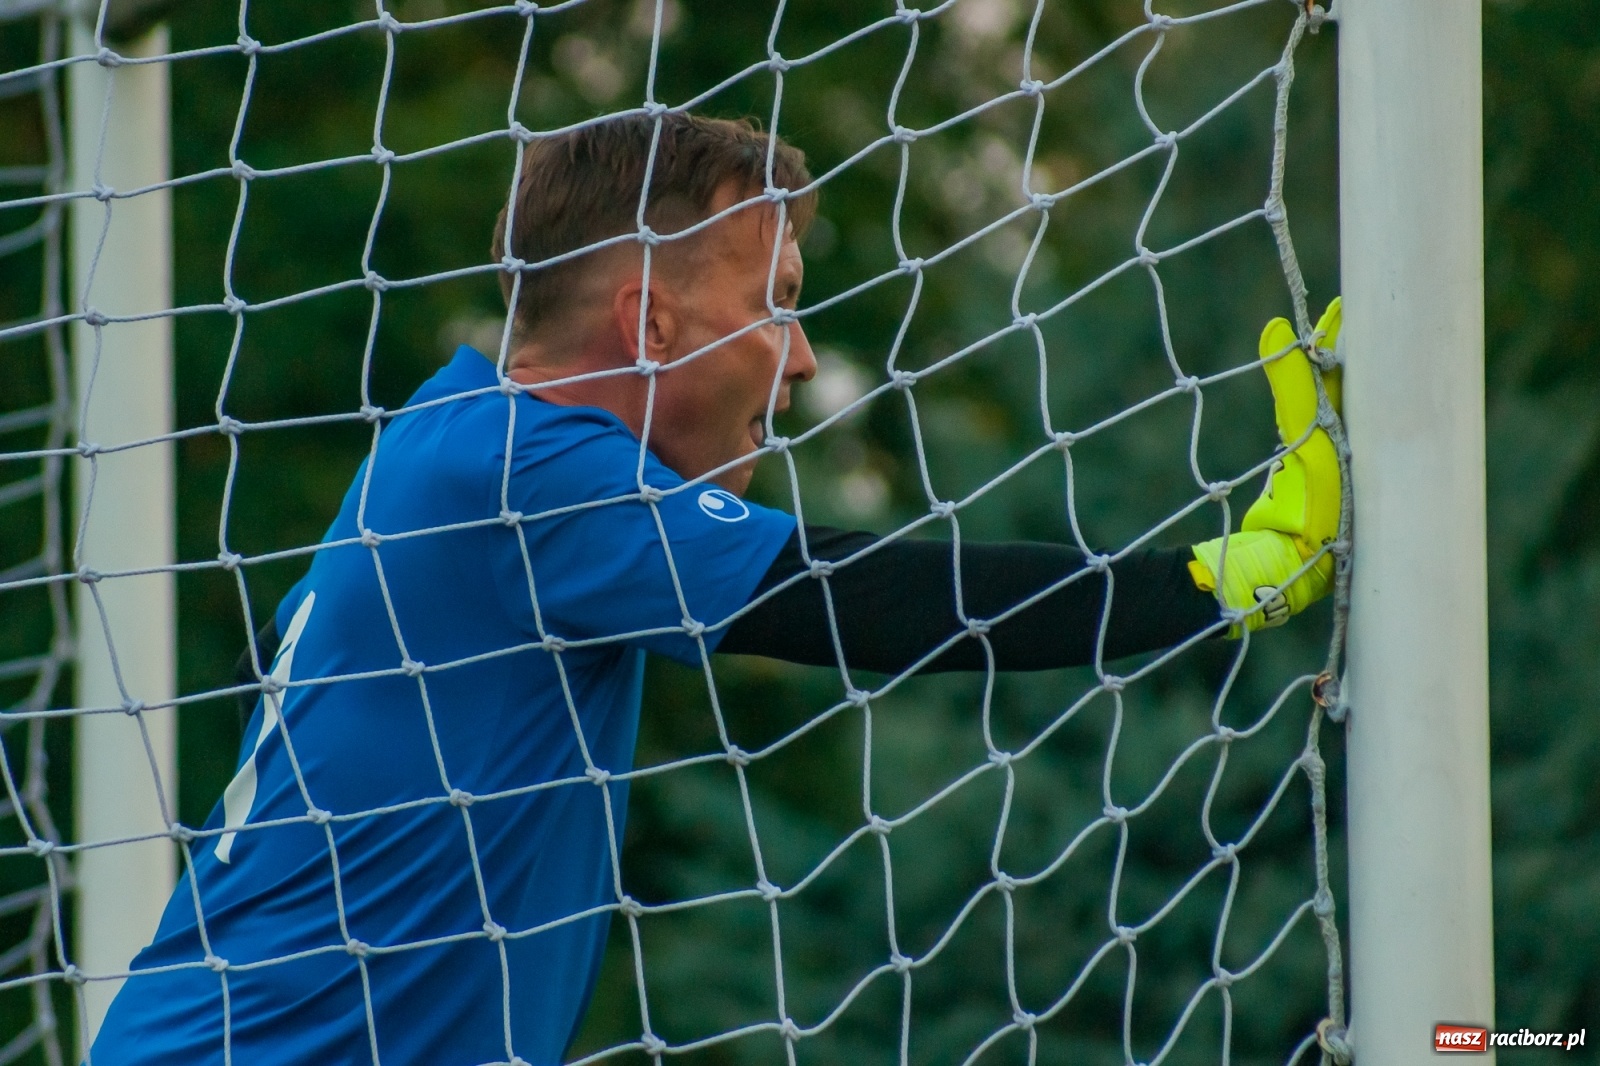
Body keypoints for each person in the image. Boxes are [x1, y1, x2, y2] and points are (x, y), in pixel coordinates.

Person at [89, 114, 1342, 1065]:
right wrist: (1208, 580)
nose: (800, 360)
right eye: (779, 306)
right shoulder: (518, 467)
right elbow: (854, 599)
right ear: (650, 327)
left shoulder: (454, 442)